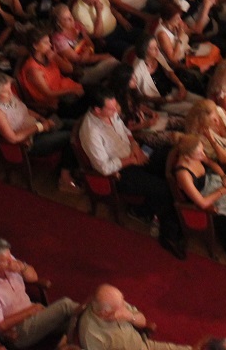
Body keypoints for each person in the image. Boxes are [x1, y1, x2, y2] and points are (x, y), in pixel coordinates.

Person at [78, 88, 185, 259]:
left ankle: (150, 209)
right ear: (97, 110)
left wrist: (135, 147)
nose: (116, 110)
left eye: (115, 106)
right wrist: (132, 160)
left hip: (134, 153)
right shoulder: (91, 132)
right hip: (121, 171)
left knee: (169, 159)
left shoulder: (110, 113)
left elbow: (126, 132)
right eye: (112, 108)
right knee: (163, 189)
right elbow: (104, 167)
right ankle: (166, 232)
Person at [0, 238, 77, 349]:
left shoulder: (8, 260)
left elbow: (34, 278)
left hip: (34, 315)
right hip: (18, 331)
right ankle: (89, 313)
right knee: (66, 305)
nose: (11, 261)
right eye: (6, 261)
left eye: (10, 255)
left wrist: (23, 267)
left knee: (72, 321)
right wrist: (31, 311)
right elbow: (1, 326)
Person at [0, 75, 79, 194]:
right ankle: (64, 179)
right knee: (69, 137)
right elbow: (13, 138)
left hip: (37, 126)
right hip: (29, 142)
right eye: (5, 92)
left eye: (10, 89)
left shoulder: (10, 97)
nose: (10, 93)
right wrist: (39, 127)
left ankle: (77, 162)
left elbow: (26, 111)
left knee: (74, 125)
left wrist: (41, 118)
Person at [76, 285, 190, 350]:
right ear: (105, 312)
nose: (124, 306)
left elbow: (143, 322)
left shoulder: (117, 304)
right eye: (120, 306)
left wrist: (130, 316)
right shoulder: (91, 334)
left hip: (143, 345)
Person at [71, 0, 135, 58]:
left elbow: (109, 7)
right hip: (107, 39)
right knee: (132, 53)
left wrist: (120, 17)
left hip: (118, 26)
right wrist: (99, 12)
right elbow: (96, 35)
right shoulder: (79, 12)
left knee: (141, 37)